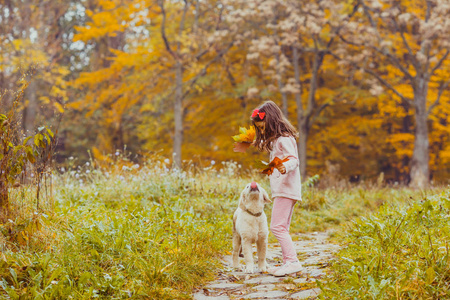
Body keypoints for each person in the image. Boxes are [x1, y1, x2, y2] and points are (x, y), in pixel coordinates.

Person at [250, 100, 303, 277]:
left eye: (263, 127)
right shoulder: (278, 140)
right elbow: (280, 162)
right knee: (282, 227)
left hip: (286, 189)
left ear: (272, 121)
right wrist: (270, 168)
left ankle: (293, 261)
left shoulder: (284, 139)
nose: (263, 132)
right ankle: (288, 261)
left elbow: (293, 160)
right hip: (285, 189)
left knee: (277, 227)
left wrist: (284, 167)